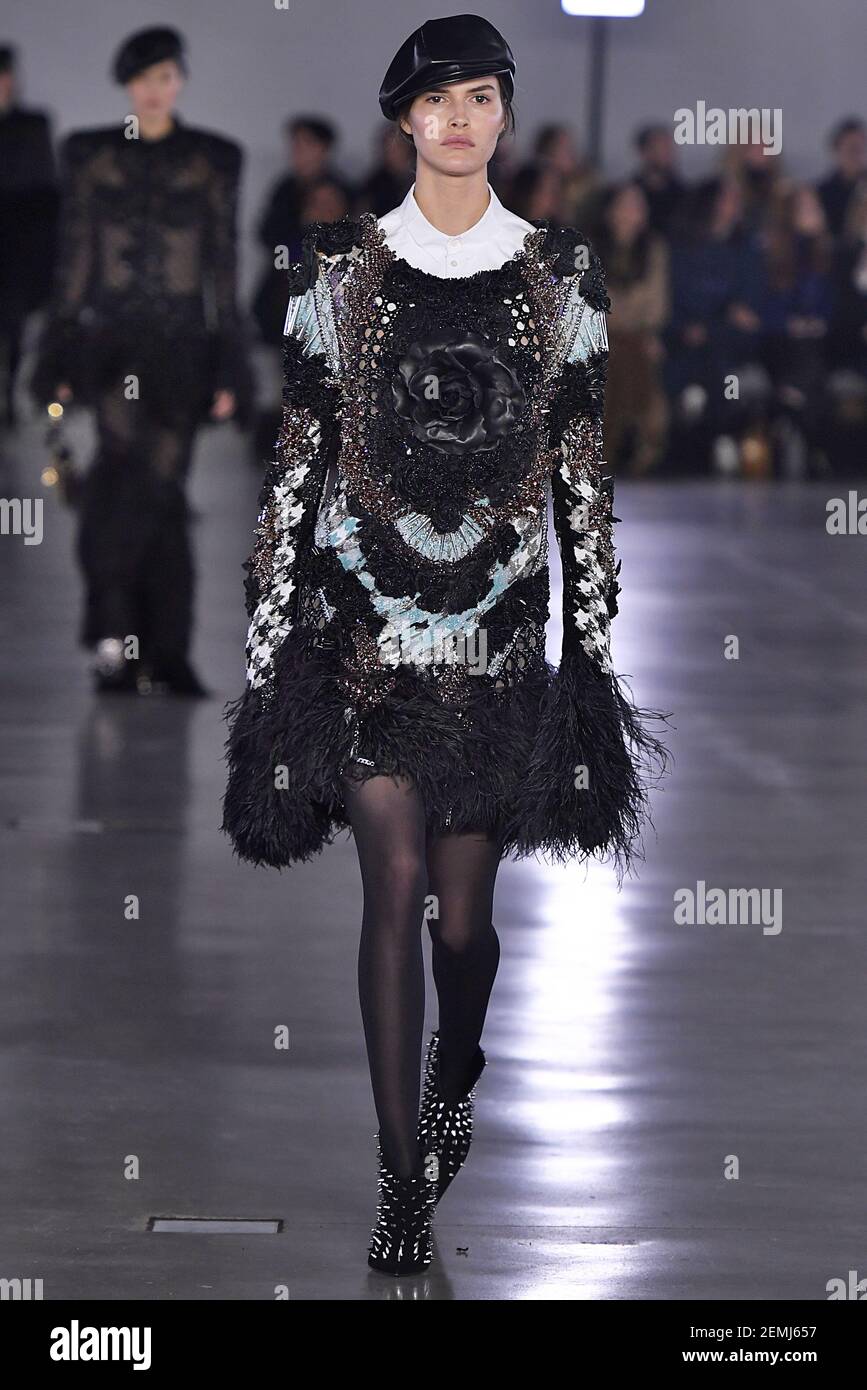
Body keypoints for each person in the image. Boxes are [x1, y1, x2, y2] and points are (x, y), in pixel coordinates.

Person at [222, 12, 669, 1276]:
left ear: (505, 118)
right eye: (440, 99)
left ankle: (455, 1068)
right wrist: (269, 669)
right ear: (405, 120)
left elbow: (580, 480)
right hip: (366, 632)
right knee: (396, 887)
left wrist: (588, 658)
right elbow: (297, 467)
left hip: (495, 634)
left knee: (462, 925)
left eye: (483, 95)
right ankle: (401, 1178)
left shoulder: (561, 279)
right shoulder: (338, 273)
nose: (462, 116)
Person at [31, 26, 252, 695]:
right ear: (127, 85)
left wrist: (229, 366)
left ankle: (154, 648)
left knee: (162, 490)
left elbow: (222, 269)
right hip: (112, 346)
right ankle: (119, 641)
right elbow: (74, 260)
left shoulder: (214, 158)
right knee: (124, 485)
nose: (155, 90)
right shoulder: (91, 155)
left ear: (180, 80)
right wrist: (59, 355)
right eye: (143, 78)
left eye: (165, 76)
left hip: (184, 348)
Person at [0, 44, 58, 430]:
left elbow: (43, 185)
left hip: (18, 244)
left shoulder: (32, 124)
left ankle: (7, 398)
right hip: (19, 237)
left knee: (13, 325)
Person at [594, 181, 670, 475]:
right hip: (598, 334)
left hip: (638, 336)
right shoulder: (589, 247)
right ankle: (634, 440)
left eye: (638, 205)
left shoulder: (654, 250)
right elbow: (589, 300)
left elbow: (656, 305)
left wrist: (622, 310)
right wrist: (627, 309)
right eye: (626, 204)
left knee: (631, 351)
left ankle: (612, 444)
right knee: (617, 352)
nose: (632, 212)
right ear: (610, 211)